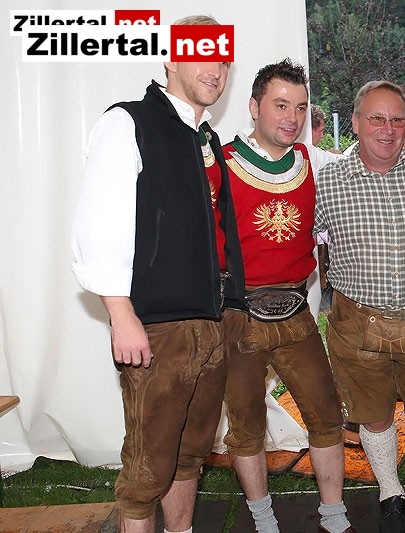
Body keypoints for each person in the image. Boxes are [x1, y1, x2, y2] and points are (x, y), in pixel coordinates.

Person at [70, 15, 245, 533]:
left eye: (223, 58)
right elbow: (98, 223)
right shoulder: (128, 122)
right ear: (170, 58)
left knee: (190, 457)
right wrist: (121, 314)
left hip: (210, 324)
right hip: (158, 329)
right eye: (202, 53)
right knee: (147, 471)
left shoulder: (205, 138)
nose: (216, 68)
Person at [219, 59, 354, 533]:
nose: (292, 118)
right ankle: (263, 520)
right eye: (280, 105)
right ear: (254, 107)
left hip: (296, 311)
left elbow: (363, 164)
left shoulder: (311, 160)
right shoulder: (220, 163)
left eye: (300, 107)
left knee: (325, 414)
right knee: (246, 425)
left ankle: (333, 515)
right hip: (238, 315)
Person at [314, 80, 405, 533]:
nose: (388, 129)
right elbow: (296, 234)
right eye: (376, 118)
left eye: (397, 119)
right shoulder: (328, 181)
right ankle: (391, 493)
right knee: (374, 420)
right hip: (358, 324)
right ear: (355, 123)